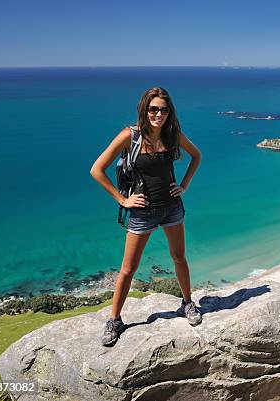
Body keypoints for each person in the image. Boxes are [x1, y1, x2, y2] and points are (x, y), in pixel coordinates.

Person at [90, 87, 202, 346]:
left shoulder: (172, 135)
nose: (158, 114)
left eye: (164, 110)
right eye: (154, 109)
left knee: (179, 258)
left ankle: (187, 303)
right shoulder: (130, 136)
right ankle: (115, 320)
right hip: (141, 213)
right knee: (128, 269)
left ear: (169, 112)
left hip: (172, 207)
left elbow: (197, 156)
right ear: (145, 109)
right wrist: (122, 200)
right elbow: (96, 170)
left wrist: (184, 185)